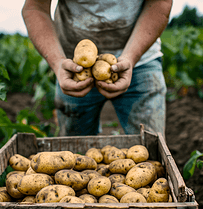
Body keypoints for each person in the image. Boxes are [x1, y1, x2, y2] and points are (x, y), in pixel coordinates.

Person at [22, 0, 173, 137]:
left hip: (142, 59)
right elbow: (35, 7)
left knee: (151, 149)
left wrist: (131, 57)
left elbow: (161, 2)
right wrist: (57, 62)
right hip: (74, 69)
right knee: (73, 153)